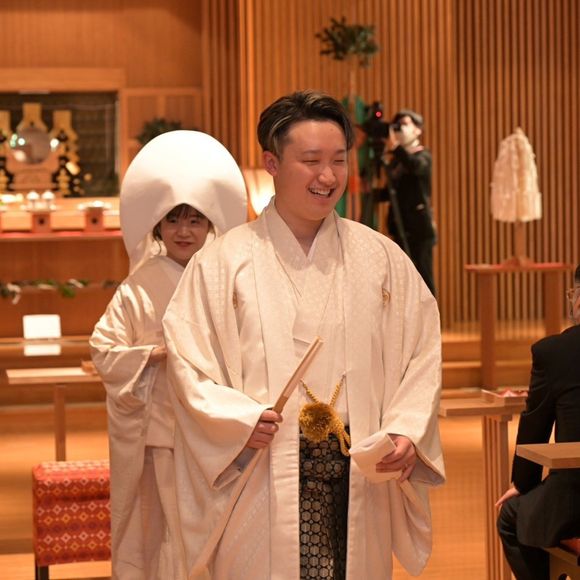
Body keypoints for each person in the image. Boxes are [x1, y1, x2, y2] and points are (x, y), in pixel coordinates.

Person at [164, 90, 445, 580]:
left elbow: (421, 352)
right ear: (271, 163)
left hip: (357, 471)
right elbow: (188, 362)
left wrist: (406, 428)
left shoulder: (380, 258)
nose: (328, 177)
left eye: (338, 160)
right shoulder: (223, 263)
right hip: (263, 469)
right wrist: (236, 420)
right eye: (311, 161)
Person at [90, 130, 247, 580]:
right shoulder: (138, 286)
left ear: (210, 225)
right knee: (162, 527)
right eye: (173, 220)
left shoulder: (224, 280)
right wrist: (151, 355)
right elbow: (103, 349)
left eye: (195, 220)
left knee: (212, 527)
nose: (183, 231)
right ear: (157, 226)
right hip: (160, 427)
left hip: (213, 430)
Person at [496, 265, 580, 580]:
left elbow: (535, 424)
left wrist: (523, 483)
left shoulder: (554, 352)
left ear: (578, 300)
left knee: (510, 517)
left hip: (575, 498)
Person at [382, 109, 436, 296]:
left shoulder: (423, 156)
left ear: (418, 130)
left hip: (419, 228)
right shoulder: (397, 160)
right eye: (397, 126)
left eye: (405, 124)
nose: (400, 129)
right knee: (403, 281)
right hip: (400, 226)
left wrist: (396, 148)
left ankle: (430, 315)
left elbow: (415, 166)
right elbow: (389, 192)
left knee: (423, 278)